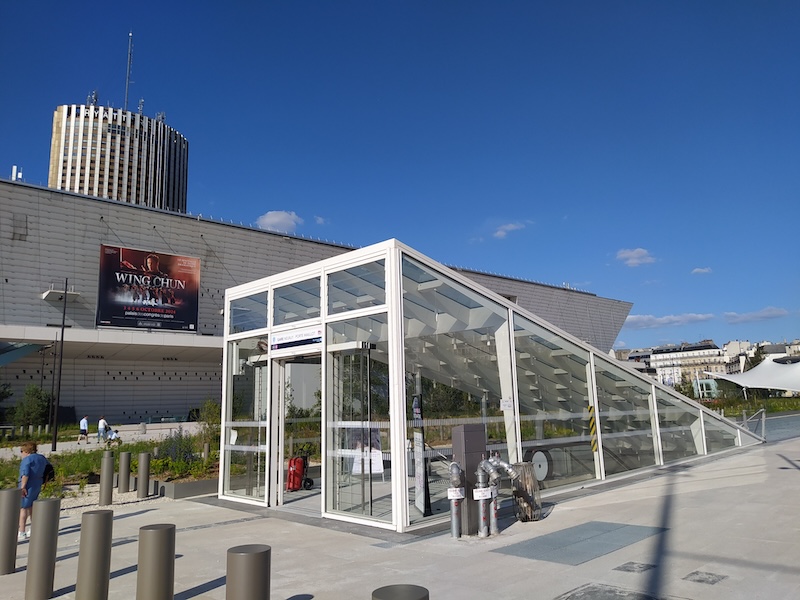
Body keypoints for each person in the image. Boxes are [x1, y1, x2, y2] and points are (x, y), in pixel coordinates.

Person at [18, 441, 49, 542]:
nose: (21, 453)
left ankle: (22, 531)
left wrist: (23, 487)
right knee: (32, 506)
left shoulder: (27, 460)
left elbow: (25, 474)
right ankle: (33, 528)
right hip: (38, 482)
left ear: (26, 451)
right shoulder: (42, 458)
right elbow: (48, 469)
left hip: (28, 484)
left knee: (23, 508)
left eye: (21, 451)